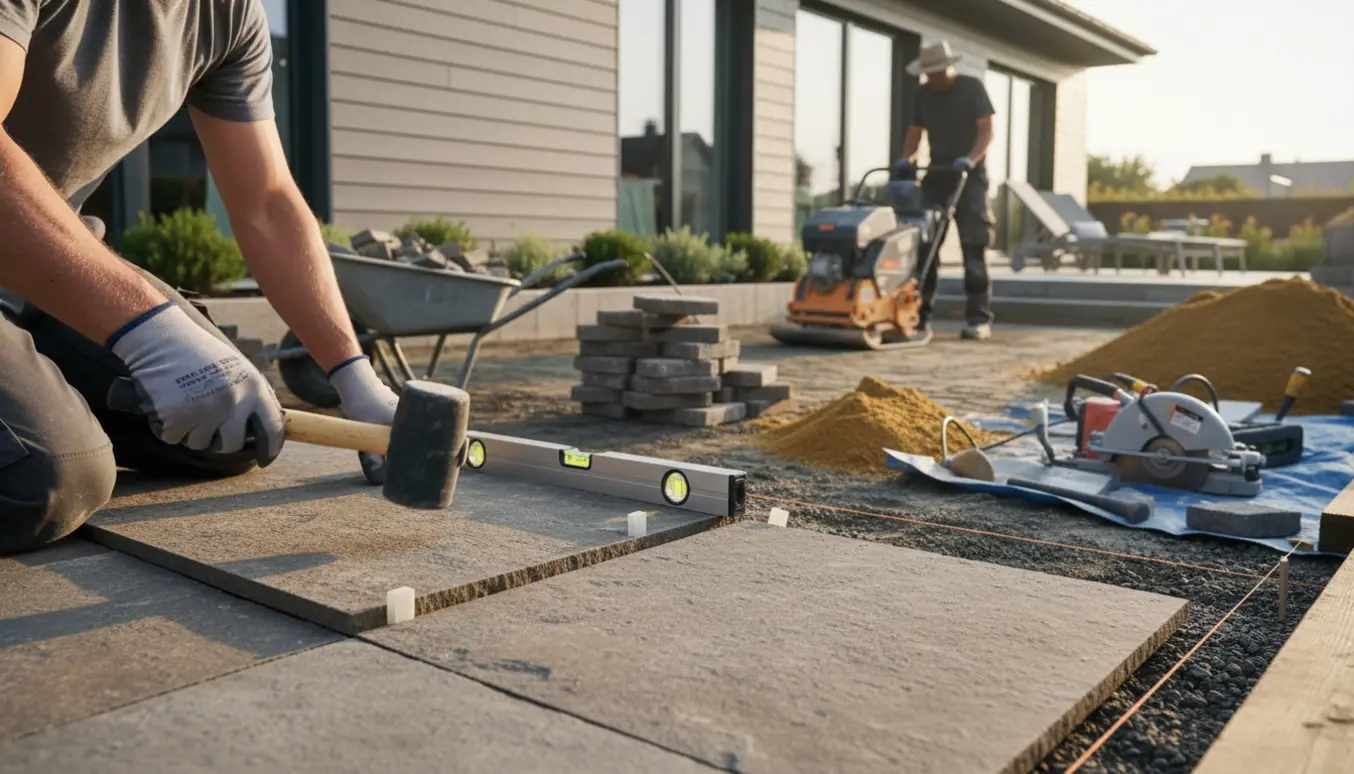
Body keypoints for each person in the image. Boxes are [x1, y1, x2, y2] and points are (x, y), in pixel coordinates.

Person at [0, 0, 400, 555]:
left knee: (234, 430)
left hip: (38, 279)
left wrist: (354, 378)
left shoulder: (229, 14)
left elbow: (266, 201)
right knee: (45, 479)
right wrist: (149, 329)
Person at [894, 40, 997, 343]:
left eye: (937, 72)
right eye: (928, 73)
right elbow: (916, 131)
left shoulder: (971, 88)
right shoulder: (923, 94)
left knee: (973, 246)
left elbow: (986, 130)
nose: (933, 78)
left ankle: (978, 318)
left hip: (970, 176)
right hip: (937, 174)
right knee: (924, 245)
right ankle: (920, 317)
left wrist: (971, 159)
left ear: (948, 67)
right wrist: (907, 158)